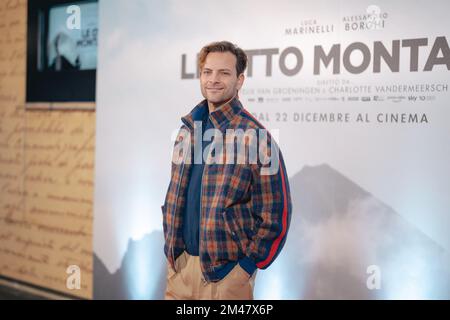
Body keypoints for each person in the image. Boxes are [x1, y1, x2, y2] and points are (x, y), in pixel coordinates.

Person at [161, 41, 292, 300]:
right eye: (207, 72)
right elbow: (176, 194)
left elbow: (277, 213)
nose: (214, 79)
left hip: (226, 277)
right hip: (180, 270)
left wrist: (246, 267)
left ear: (240, 80)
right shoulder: (186, 131)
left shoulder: (258, 138)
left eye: (224, 73)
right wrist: (173, 254)